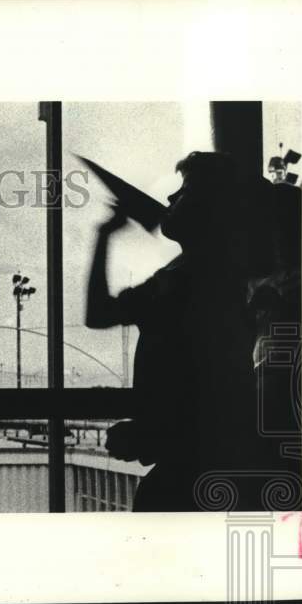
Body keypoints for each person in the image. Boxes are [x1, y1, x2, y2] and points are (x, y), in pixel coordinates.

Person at [87, 151, 258, 511]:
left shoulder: (180, 281)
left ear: (209, 208)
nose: (171, 199)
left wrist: (104, 236)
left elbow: (99, 313)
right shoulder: (220, 274)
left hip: (187, 472)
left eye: (185, 191)